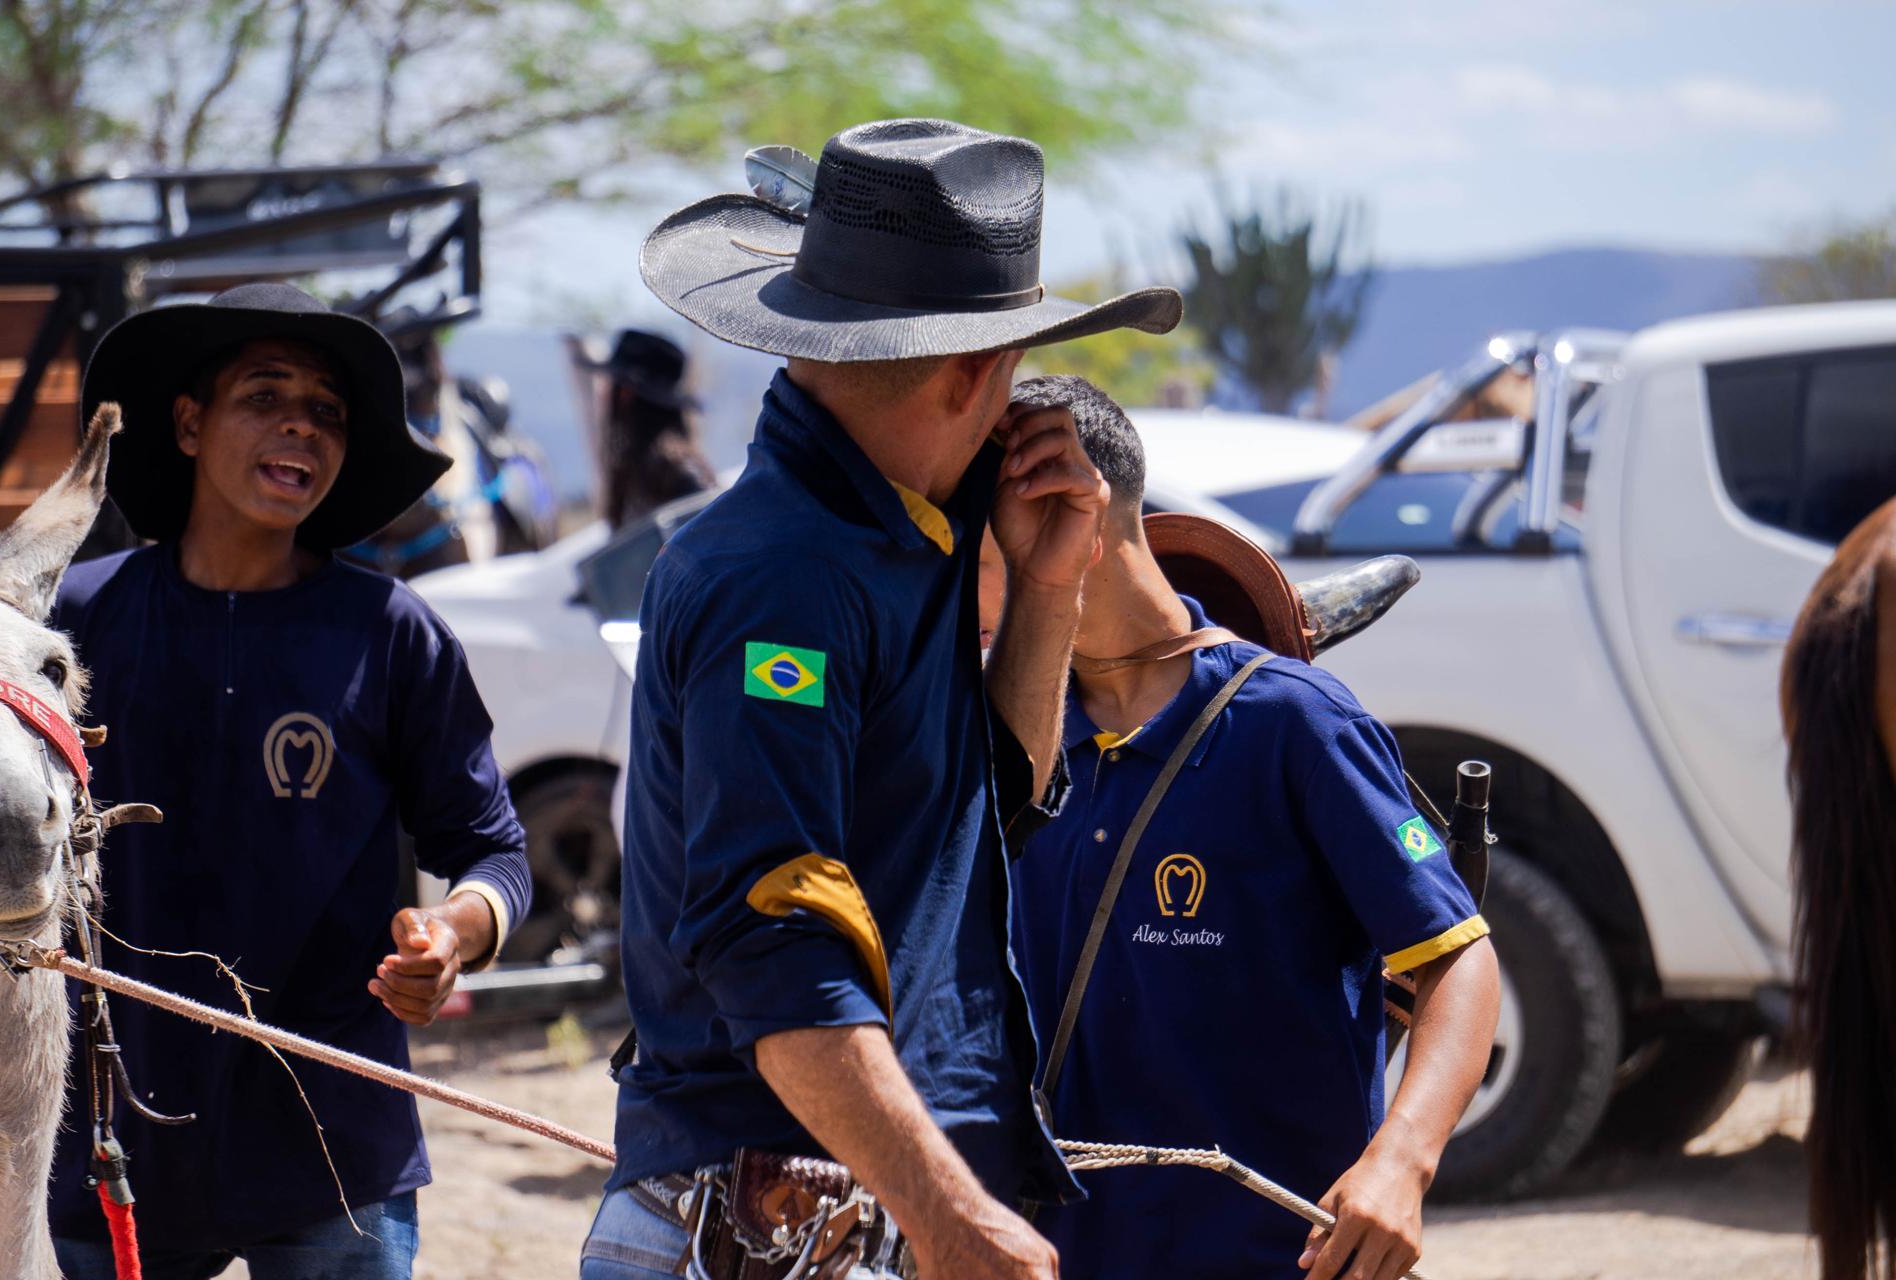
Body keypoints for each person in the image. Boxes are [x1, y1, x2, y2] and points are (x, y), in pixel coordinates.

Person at [581, 120, 1182, 1280]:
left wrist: (1046, 586)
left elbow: (987, 801)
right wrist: (952, 1216)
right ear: (971, 373)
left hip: (857, 1208)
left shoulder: (909, 521)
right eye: (1012, 360)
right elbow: (776, 950)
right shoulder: (783, 578)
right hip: (763, 1226)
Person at [48, 282, 533, 1279]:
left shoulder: (390, 632)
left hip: (334, 1146)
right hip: (111, 1139)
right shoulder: (75, 623)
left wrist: (453, 934)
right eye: (265, 395)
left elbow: (494, 853)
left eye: (327, 410)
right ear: (189, 424)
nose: (301, 425)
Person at [1000, 375, 1500, 1280]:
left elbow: (1457, 959)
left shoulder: (1292, 722)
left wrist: (1401, 1162)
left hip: (1269, 1257)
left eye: (970, 533)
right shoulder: (1001, 742)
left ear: (1073, 512)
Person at [576, 328, 716, 527]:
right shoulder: (639, 469)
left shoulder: (678, 474)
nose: (605, 396)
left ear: (626, 394)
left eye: (611, 386)